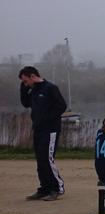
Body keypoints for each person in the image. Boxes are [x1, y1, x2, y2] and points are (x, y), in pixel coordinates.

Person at [19, 66, 68, 201]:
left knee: (47, 159)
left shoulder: (50, 88)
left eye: (25, 81)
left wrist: (47, 119)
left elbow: (61, 106)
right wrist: (23, 89)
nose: (25, 84)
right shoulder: (33, 90)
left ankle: (57, 188)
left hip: (51, 129)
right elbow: (26, 103)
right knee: (40, 160)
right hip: (38, 129)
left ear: (33, 76)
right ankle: (44, 188)